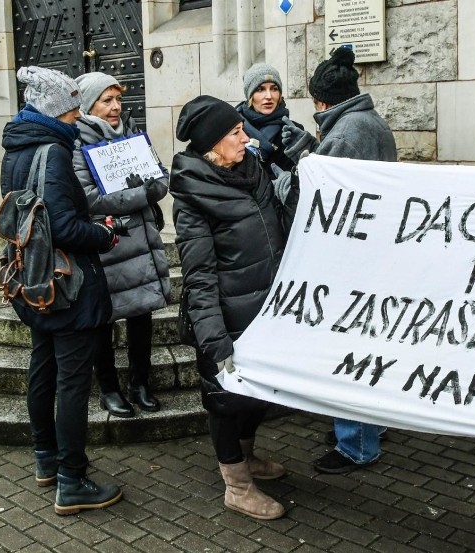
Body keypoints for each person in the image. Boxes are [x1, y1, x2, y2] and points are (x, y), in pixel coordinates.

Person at [0, 66, 123, 514]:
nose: (77, 120)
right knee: (72, 383)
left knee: (43, 368)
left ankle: (45, 459)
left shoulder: (16, 147)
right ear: (57, 112)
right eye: (73, 112)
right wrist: (105, 233)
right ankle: (72, 480)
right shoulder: (52, 150)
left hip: (33, 281)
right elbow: (65, 226)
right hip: (66, 286)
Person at [276, 47, 397, 474]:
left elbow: (322, 196)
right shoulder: (364, 122)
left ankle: (356, 444)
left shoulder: (348, 131)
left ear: (322, 101)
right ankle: (370, 429)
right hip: (370, 256)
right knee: (366, 347)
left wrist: (285, 175)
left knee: (349, 350)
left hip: (352, 260)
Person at [170, 95, 290, 520]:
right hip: (226, 316)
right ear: (211, 144)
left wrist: (294, 168)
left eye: (243, 128)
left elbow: (282, 224)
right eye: (235, 132)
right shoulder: (193, 196)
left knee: (256, 397)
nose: (246, 136)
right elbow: (199, 275)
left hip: (265, 310)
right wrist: (215, 342)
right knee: (224, 401)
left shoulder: (251, 171)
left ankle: (248, 456)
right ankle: (236, 486)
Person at [73, 72, 171, 418]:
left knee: (141, 313)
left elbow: (160, 177)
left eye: (117, 99)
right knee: (103, 320)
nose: (116, 107)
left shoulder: (132, 134)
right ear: (88, 105)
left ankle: (140, 383)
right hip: (108, 243)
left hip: (139, 243)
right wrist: (137, 194)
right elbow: (88, 197)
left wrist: (151, 188)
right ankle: (110, 389)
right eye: (107, 100)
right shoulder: (76, 142)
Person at [235, 62, 304, 173]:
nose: (269, 96)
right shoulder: (235, 128)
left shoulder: (293, 130)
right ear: (250, 95)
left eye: (274, 89)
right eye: (260, 89)